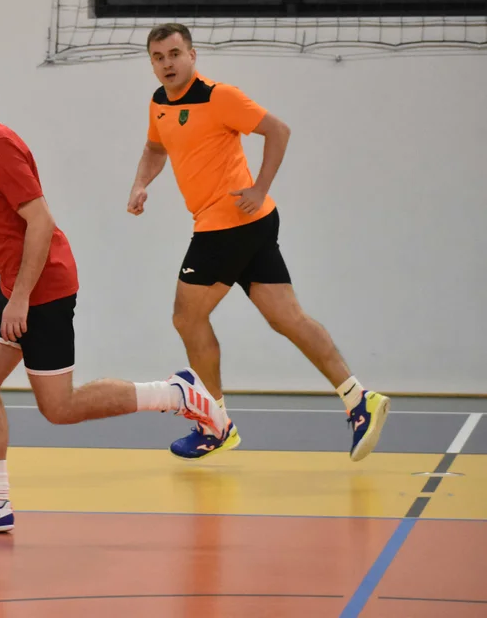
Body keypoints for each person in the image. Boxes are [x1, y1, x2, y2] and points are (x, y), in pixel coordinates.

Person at [0, 49, 228, 533]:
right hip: (17, 284)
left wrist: (21, 298)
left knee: (59, 408)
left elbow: (40, 222)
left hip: (43, 286)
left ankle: (176, 393)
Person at [126, 23, 391, 462]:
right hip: (249, 225)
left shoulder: (219, 97)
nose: (167, 64)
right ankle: (358, 398)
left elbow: (278, 130)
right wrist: (140, 185)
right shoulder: (159, 103)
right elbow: (155, 149)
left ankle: (215, 424)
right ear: (152, 63)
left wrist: (260, 187)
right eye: (158, 57)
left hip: (228, 223)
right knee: (287, 317)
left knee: (187, 317)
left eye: (174, 54)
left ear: (192, 55)